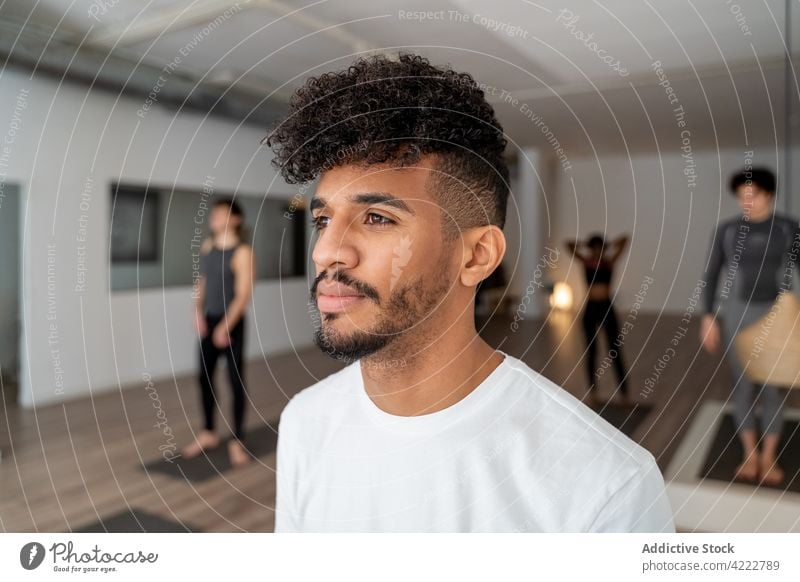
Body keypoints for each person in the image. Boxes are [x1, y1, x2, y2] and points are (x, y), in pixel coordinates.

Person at [268, 54, 674, 532]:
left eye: (377, 218)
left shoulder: (605, 486)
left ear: (477, 255)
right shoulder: (305, 422)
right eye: (322, 221)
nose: (326, 252)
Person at [700, 167, 800, 487]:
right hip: (737, 314)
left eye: (752, 195)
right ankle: (749, 454)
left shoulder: (788, 228)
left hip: (776, 314)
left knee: (771, 386)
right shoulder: (727, 230)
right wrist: (708, 316)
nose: (746, 202)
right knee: (742, 383)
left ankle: (768, 456)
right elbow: (711, 274)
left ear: (768, 194)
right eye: (741, 197)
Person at [182, 198, 255, 467]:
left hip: (232, 321)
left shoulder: (243, 252)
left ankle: (237, 439)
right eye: (213, 215)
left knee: (235, 380)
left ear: (235, 219)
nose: (214, 218)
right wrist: (196, 311)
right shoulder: (209, 246)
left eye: (220, 214)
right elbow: (201, 284)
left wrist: (226, 325)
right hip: (209, 320)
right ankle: (209, 433)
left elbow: (244, 293)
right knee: (204, 377)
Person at [565, 234, 632, 408]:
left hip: (607, 307)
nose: (595, 252)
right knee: (591, 351)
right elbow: (569, 244)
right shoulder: (586, 262)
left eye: (598, 248)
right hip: (591, 309)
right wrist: (585, 244)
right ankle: (593, 393)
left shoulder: (608, 262)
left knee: (614, 350)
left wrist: (608, 244)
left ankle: (624, 394)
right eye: (593, 248)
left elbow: (625, 239)